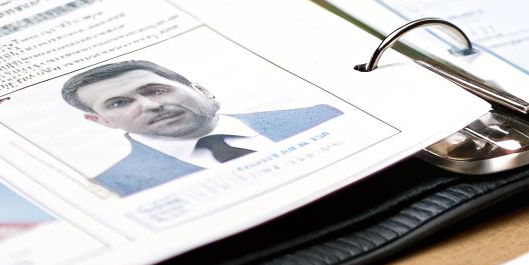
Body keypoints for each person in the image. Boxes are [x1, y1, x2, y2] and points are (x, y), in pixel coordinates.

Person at [59, 59, 343, 197]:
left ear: (202, 90)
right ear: (102, 121)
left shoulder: (322, 117)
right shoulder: (116, 187)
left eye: (156, 91)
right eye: (119, 103)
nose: (148, 106)